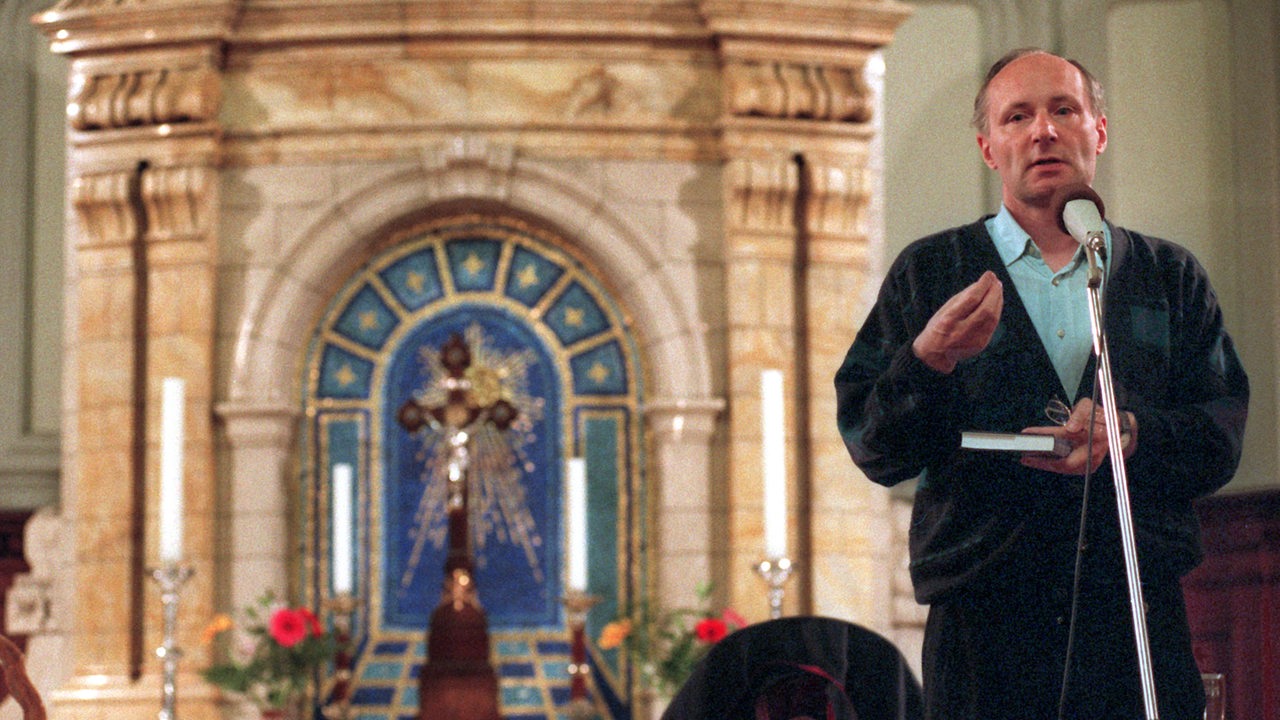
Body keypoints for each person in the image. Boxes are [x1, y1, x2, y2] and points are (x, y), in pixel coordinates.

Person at [834, 48, 1249, 720]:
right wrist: (927, 360)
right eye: (1017, 116)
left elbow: (1221, 432)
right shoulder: (933, 271)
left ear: (1099, 132)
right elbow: (873, 444)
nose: (1043, 131)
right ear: (988, 148)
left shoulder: (1167, 275)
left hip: (1134, 613)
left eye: (1063, 110)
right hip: (984, 615)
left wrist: (1132, 433)